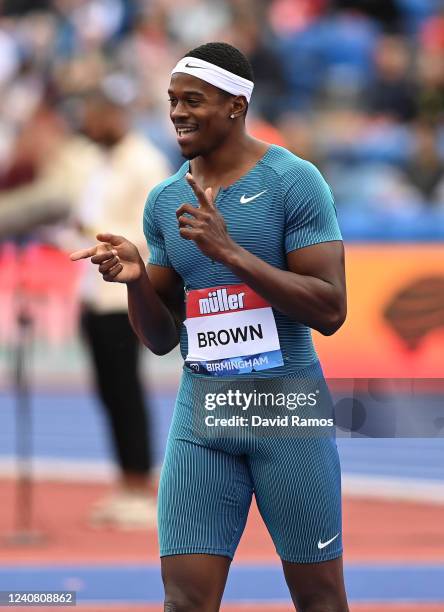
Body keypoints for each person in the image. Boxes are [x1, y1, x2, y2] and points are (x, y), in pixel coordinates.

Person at [71, 42, 348, 611]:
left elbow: (329, 310)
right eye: (172, 101)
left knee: (319, 599)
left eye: (193, 100)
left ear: (235, 106)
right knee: (185, 601)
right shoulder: (166, 199)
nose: (177, 112)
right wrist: (137, 283)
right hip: (203, 421)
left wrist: (230, 252)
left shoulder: (295, 182)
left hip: (286, 418)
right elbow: (160, 338)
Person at [74, 81, 171, 528]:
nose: (86, 123)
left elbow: (155, 231)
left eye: (94, 113)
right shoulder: (100, 161)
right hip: (93, 292)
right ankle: (125, 482)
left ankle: (140, 487)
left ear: (114, 114)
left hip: (122, 294)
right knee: (109, 393)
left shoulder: (144, 162)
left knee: (126, 392)